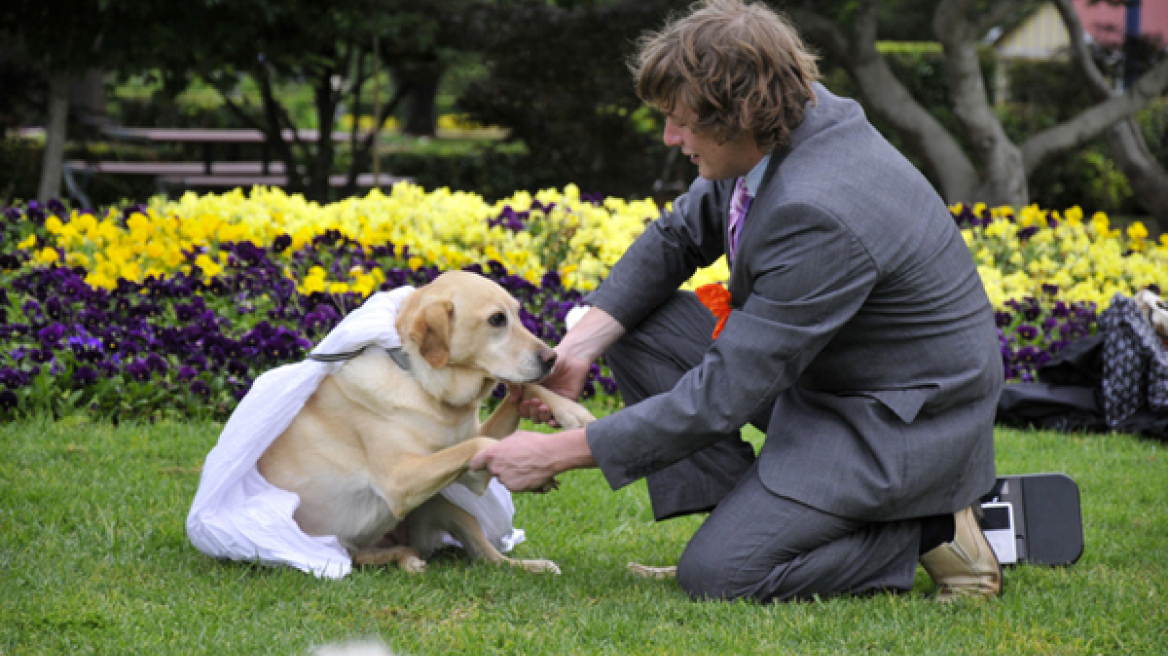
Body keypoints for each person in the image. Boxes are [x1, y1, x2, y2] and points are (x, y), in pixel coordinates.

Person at [470, 0, 1004, 603]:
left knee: (721, 577)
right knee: (635, 326)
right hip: (835, 375)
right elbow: (677, 235)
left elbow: (723, 396)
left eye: (684, 123)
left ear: (741, 114)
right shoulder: (787, 121)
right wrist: (577, 351)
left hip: (896, 420)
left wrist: (555, 454)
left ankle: (926, 525)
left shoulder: (819, 210)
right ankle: (752, 521)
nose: (672, 138)